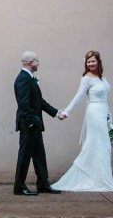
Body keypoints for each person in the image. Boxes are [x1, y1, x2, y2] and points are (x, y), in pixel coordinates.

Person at [52, 50, 113, 192]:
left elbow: (105, 100)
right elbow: (78, 97)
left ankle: (101, 178)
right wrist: (67, 111)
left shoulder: (103, 78)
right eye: (88, 61)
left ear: (98, 61)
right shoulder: (86, 78)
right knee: (97, 144)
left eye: (93, 61)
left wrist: (109, 116)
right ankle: (98, 180)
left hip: (103, 113)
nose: (90, 63)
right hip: (94, 113)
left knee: (104, 146)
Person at [13, 51, 64, 196]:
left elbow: (39, 101)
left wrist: (56, 112)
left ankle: (43, 184)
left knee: (39, 155)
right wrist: (30, 122)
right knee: (25, 155)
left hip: (35, 124)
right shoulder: (23, 79)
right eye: (37, 61)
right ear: (30, 63)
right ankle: (19, 186)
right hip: (29, 124)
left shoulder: (29, 79)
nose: (38, 63)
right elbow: (23, 104)